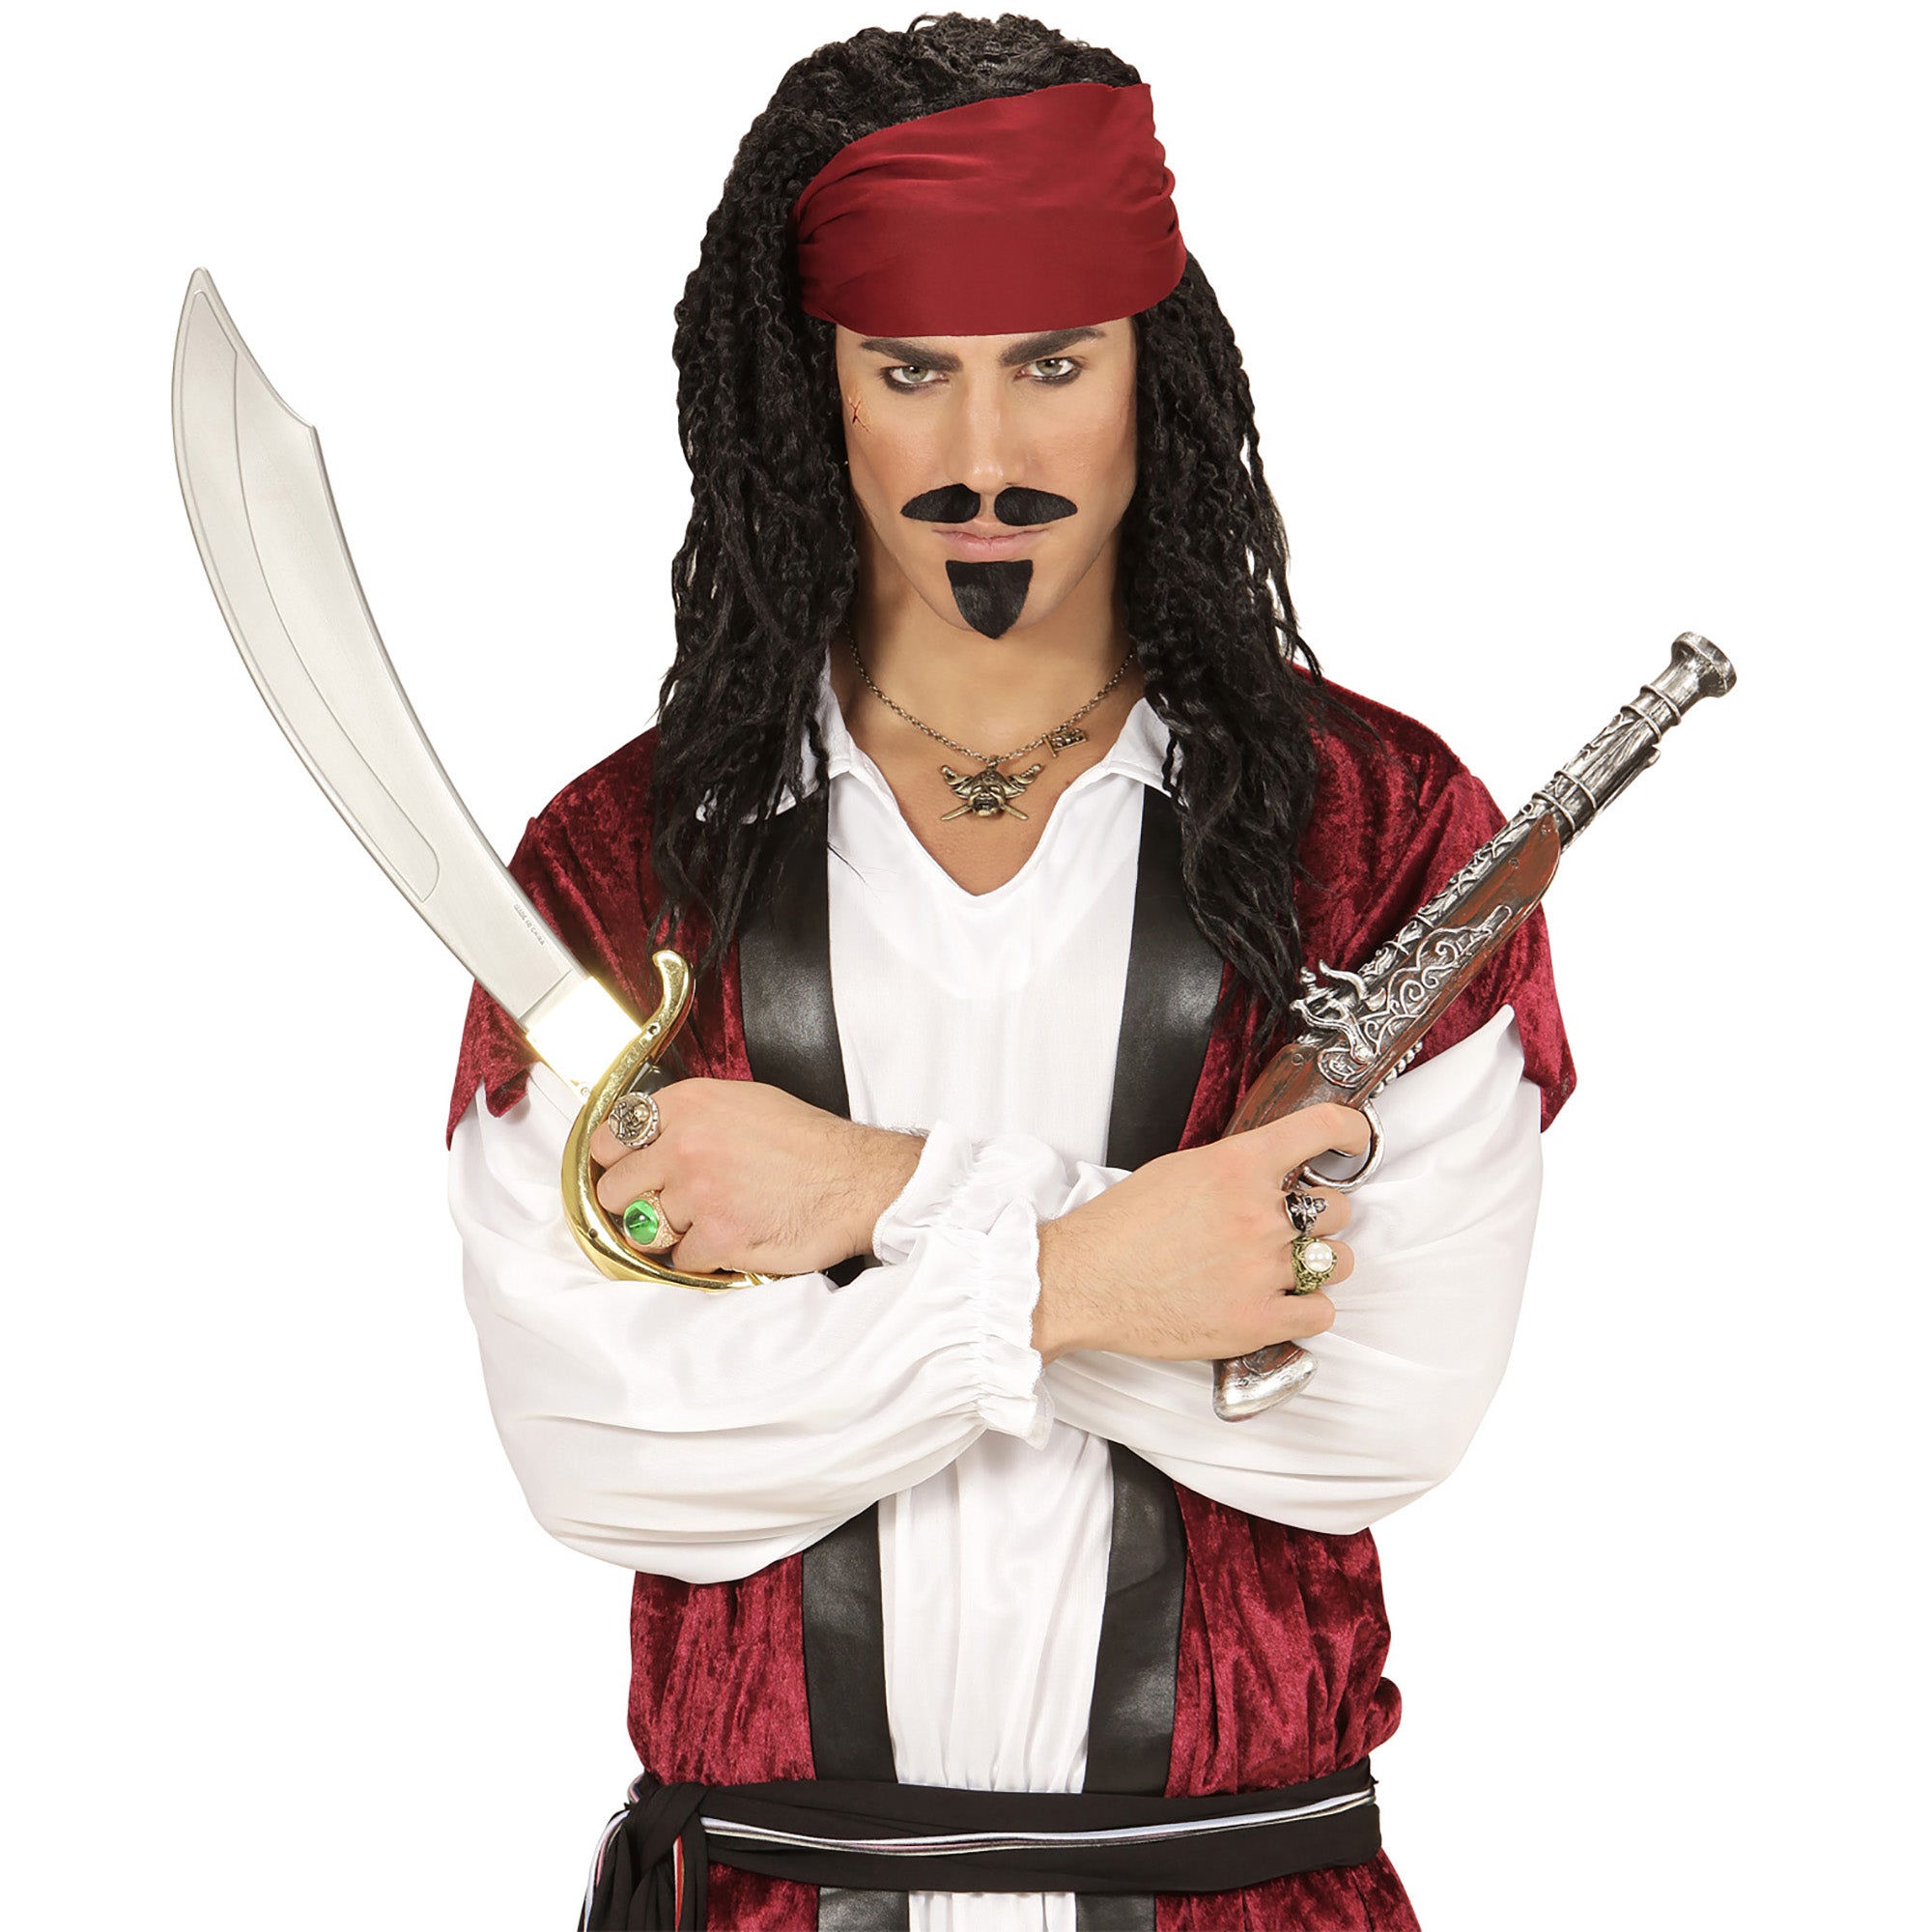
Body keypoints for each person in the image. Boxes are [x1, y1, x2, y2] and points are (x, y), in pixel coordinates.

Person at [446, 14, 1576, 1928]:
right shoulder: (619, 868)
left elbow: (1377, 1409)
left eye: (1052, 363)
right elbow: (605, 1445)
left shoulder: (1385, 841)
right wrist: (1104, 1279)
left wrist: (880, 1200)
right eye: (912, 373)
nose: (987, 457)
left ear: (1153, 373)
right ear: (815, 394)